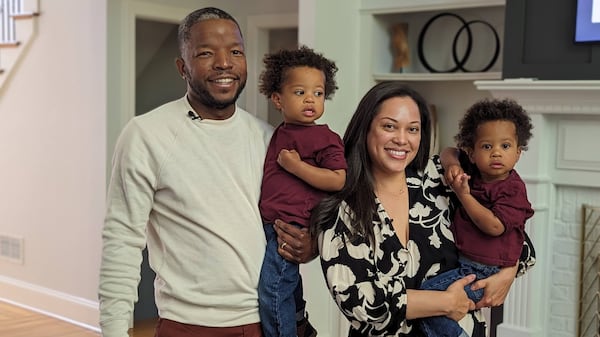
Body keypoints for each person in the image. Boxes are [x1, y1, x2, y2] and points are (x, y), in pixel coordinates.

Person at [98, 7, 315, 337]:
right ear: (182, 68)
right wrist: (114, 330)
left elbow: (291, 221)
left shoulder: (269, 139)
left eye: (235, 51)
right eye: (205, 53)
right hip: (186, 326)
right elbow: (122, 239)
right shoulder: (146, 135)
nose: (224, 63)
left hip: (267, 322)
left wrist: (309, 245)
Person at [309, 81, 536, 337]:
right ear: (366, 130)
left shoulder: (439, 180)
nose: (402, 139)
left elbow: (520, 242)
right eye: (389, 126)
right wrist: (446, 302)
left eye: (413, 129)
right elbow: (360, 303)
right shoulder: (343, 203)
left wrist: (507, 273)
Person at [419, 98, 535, 337]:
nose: (496, 153)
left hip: (484, 271)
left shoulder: (512, 189)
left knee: (429, 298)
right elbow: (448, 151)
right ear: (471, 154)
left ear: (518, 153)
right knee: (432, 300)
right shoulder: (473, 171)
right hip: (468, 264)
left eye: (505, 146)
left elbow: (494, 226)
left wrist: (464, 196)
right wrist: (453, 165)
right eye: (486, 147)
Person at [257, 46, 347, 337]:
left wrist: (296, 167)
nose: (310, 99)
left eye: (318, 93)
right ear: (277, 99)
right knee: (287, 285)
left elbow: (337, 180)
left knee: (273, 291)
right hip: (270, 223)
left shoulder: (324, 137)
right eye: (300, 92)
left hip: (292, 225)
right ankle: (300, 325)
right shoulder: (277, 133)